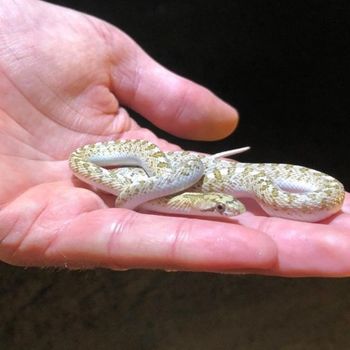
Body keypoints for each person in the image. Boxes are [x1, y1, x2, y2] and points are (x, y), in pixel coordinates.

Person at [0, 0, 349, 276]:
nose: (231, 210)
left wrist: (137, 196)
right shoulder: (105, 169)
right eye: (219, 207)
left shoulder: (191, 185)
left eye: (220, 206)